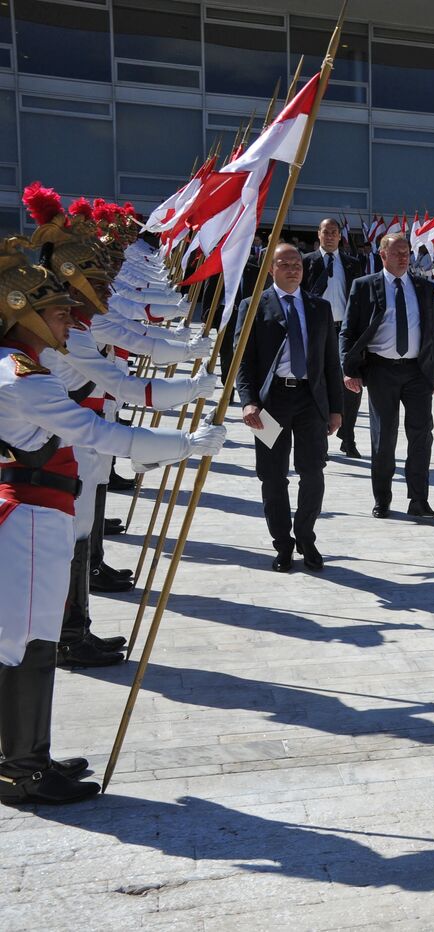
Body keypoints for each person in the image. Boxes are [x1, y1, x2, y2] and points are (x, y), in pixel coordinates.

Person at [0, 244, 226, 804]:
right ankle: (21, 769)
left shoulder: (18, 367)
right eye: (54, 312)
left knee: (30, 639)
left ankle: (28, 756)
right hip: (33, 517)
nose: (66, 317)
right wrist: (184, 446)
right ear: (21, 311)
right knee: (28, 643)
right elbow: (101, 434)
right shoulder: (24, 379)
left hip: (36, 513)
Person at [237, 244, 344, 571]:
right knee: (273, 476)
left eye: (297, 264)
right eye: (284, 264)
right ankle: (282, 544)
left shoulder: (319, 307)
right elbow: (242, 360)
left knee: (313, 472)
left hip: (310, 401)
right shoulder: (253, 305)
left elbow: (330, 361)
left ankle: (306, 535)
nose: (293, 269)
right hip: (271, 404)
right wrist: (248, 401)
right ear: (271, 269)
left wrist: (337, 408)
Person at [340, 232, 434, 521]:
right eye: (397, 252)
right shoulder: (364, 286)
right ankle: (382, 499)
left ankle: (419, 500)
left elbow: (432, 332)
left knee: (421, 436)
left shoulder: (423, 286)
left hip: (417, 372)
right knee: (384, 437)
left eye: (407, 252)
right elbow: (348, 331)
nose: (403, 257)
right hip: (381, 370)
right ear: (382, 255)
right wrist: (348, 369)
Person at [302, 217, 364, 458]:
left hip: (345, 331)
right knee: (320, 384)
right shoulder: (306, 262)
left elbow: (359, 299)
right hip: (316, 330)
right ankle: (321, 438)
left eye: (334, 232)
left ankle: (347, 436)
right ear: (318, 234)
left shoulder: (351, 264)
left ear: (340, 236)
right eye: (325, 232)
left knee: (351, 384)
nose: (329, 236)